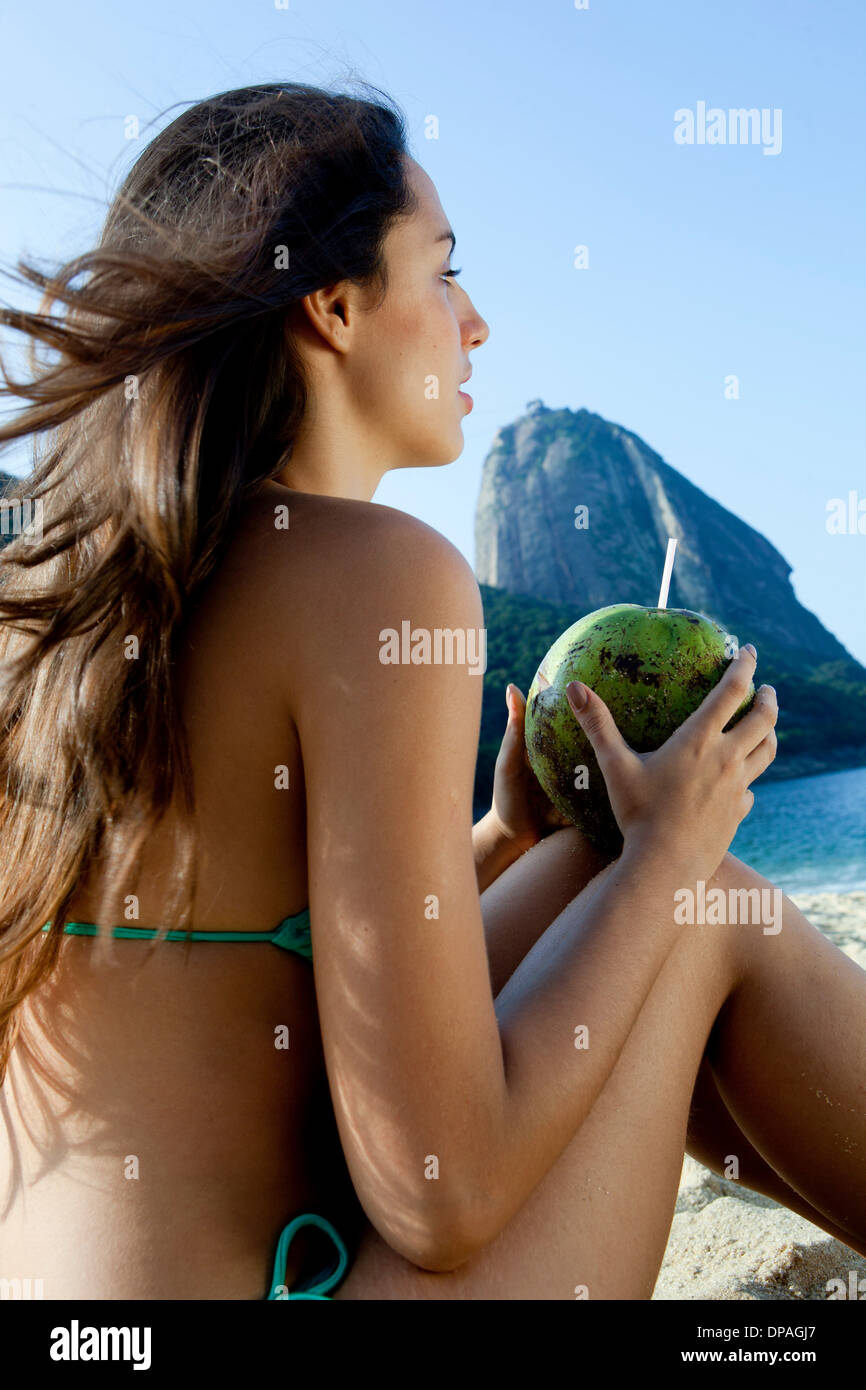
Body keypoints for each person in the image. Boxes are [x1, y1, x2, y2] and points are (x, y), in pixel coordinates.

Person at [0, 80, 863, 1302]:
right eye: (445, 270)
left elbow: (257, 979)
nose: (477, 325)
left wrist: (507, 836)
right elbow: (440, 1193)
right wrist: (670, 852)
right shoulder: (377, 576)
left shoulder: (72, 594)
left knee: (582, 869)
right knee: (690, 904)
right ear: (336, 305)